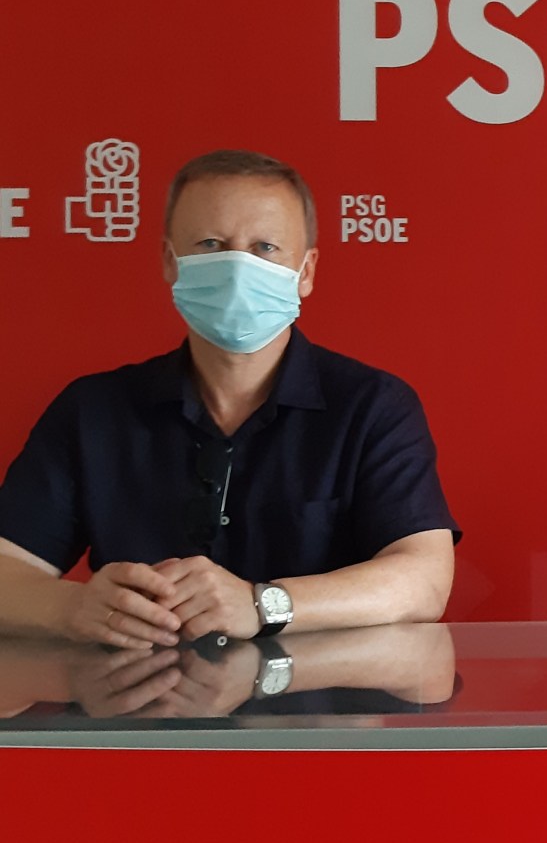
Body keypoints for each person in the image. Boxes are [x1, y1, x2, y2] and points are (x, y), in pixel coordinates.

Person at [0, 150, 458, 648]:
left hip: (322, 696)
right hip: (136, 694)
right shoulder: (92, 411)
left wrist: (263, 604)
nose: (239, 268)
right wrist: (72, 607)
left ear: (306, 271)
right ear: (171, 262)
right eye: (211, 245)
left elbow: (423, 580)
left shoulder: (372, 407)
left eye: (265, 247)